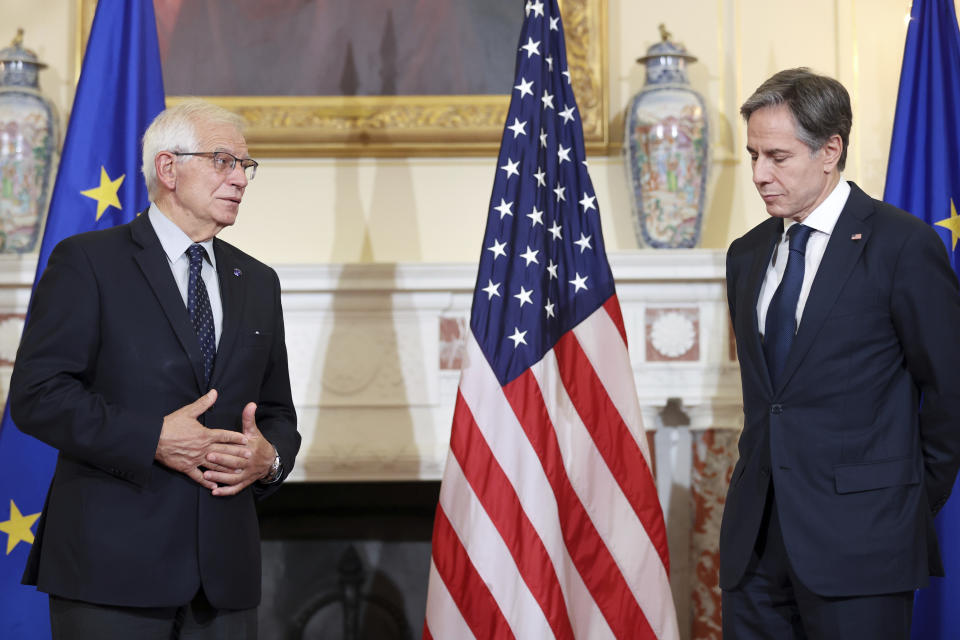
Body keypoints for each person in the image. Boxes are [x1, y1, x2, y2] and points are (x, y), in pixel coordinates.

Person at [9, 100, 300, 638]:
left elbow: (278, 412)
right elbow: (37, 394)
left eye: (245, 165)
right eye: (223, 160)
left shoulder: (258, 282)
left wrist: (271, 458)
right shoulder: (89, 262)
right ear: (168, 168)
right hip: (110, 574)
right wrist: (152, 438)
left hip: (224, 583)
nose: (240, 178)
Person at [720, 67, 960, 639]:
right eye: (753, 154)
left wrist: (900, 504)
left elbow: (951, 391)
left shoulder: (901, 244)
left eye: (777, 157)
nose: (759, 174)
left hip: (864, 546)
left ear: (831, 150)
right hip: (755, 549)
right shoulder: (746, 254)